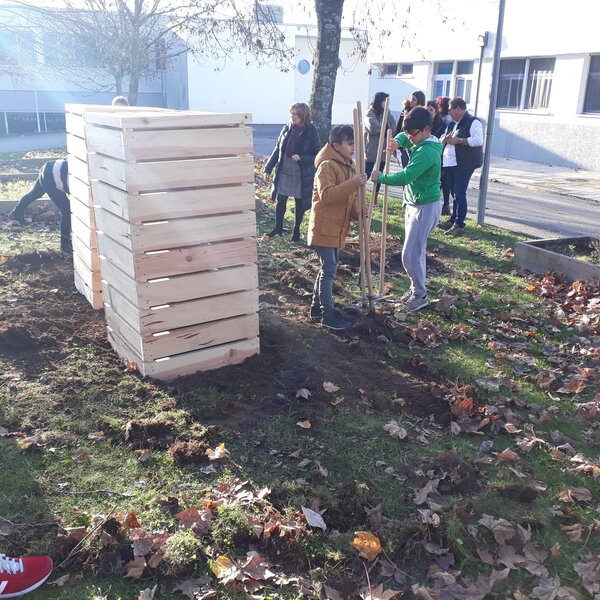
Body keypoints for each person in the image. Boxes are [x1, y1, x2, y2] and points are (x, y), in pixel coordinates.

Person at [371, 106, 442, 312]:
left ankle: (420, 295)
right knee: (415, 253)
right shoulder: (420, 139)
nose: (409, 137)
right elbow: (403, 134)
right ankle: (415, 289)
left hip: (425, 207)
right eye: (408, 133)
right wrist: (397, 142)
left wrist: (380, 178)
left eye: (413, 134)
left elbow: (405, 176)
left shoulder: (427, 152)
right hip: (414, 203)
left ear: (427, 129)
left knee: (409, 255)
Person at [308, 125, 367, 330]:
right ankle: (327, 314)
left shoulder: (348, 165)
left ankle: (316, 308)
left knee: (328, 268)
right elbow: (328, 196)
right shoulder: (327, 166)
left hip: (337, 228)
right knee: (330, 269)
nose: (353, 148)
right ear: (336, 146)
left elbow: (348, 200)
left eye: (354, 144)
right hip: (324, 227)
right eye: (349, 144)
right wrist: (352, 183)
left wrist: (358, 213)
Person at [264, 103, 321, 242]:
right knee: (281, 199)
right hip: (284, 169)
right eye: (291, 113)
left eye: (295, 114)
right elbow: (277, 150)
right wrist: (268, 168)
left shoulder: (311, 131)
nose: (292, 116)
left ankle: (296, 233)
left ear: (303, 115)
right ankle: (278, 228)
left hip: (300, 172)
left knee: (299, 203)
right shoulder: (287, 128)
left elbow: (318, 154)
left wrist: (302, 157)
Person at [437, 97, 483, 236]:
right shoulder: (452, 124)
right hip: (450, 163)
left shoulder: (473, 122)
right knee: (454, 193)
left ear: (458, 109)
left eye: (450, 110)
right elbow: (442, 138)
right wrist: (444, 140)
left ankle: (459, 224)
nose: (449, 113)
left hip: (464, 164)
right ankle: (453, 220)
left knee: (459, 193)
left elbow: (478, 140)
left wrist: (460, 140)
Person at [7, 159, 72, 252]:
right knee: (68, 212)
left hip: (49, 167)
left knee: (36, 193)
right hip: (52, 176)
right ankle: (64, 245)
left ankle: (17, 211)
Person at [364, 92, 396, 204]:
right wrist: (385, 127)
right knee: (366, 173)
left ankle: (374, 198)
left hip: (383, 151)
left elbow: (393, 127)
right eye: (384, 100)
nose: (386, 103)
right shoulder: (370, 112)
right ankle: (358, 195)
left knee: (379, 175)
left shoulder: (387, 113)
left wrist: (387, 127)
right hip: (371, 151)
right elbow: (372, 127)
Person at [395, 90, 426, 167]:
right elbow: (399, 127)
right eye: (411, 99)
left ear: (419, 101)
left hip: (415, 145)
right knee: (405, 167)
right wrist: (396, 143)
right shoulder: (405, 110)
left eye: (414, 99)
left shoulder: (422, 113)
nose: (411, 101)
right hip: (404, 144)